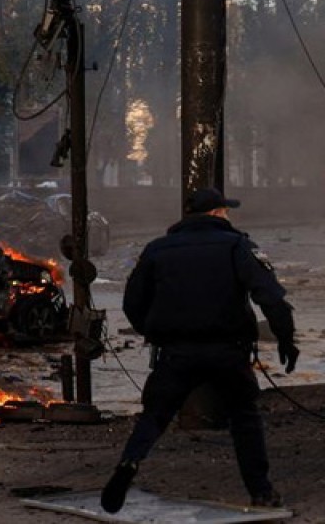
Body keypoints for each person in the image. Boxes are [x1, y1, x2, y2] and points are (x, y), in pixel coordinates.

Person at [101, 187, 299, 513]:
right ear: (218, 213)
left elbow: (132, 303)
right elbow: (272, 298)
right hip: (228, 352)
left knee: (154, 416)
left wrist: (156, 333)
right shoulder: (238, 245)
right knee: (244, 417)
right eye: (226, 210)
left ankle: (129, 462)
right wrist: (286, 339)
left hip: (176, 352)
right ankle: (261, 492)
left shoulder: (156, 250)